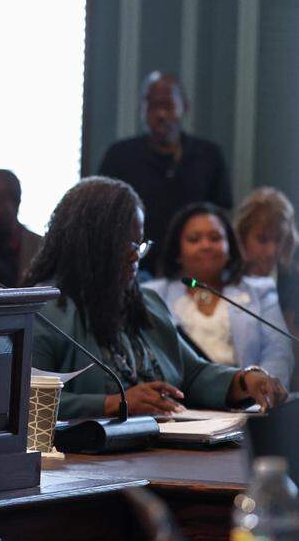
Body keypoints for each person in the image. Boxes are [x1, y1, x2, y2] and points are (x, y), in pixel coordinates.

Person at [27, 177, 286, 420]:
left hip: (164, 446)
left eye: (138, 244)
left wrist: (243, 381)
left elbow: (192, 373)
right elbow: (29, 402)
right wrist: (114, 403)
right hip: (88, 461)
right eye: (126, 244)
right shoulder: (46, 310)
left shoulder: (146, 302)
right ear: (92, 243)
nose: (135, 256)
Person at [98, 71, 233, 272]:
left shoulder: (208, 156)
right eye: (153, 106)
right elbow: (102, 218)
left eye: (168, 106)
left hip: (192, 273)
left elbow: (220, 216)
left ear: (184, 107)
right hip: (132, 269)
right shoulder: (119, 156)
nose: (161, 114)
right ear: (142, 110)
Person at [144, 203, 293, 382]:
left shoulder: (260, 291)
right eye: (194, 239)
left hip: (248, 401)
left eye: (215, 238)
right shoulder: (153, 294)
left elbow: (278, 353)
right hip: (179, 400)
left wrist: (260, 386)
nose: (206, 245)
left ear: (229, 247)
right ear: (178, 251)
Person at [234, 187, 299, 334]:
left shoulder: (294, 283)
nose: (271, 251)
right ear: (242, 237)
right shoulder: (224, 278)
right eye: (262, 239)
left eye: (278, 240)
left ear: (288, 240)